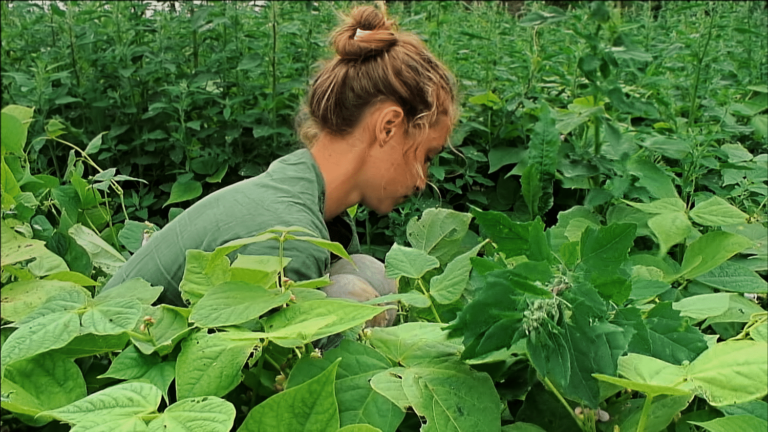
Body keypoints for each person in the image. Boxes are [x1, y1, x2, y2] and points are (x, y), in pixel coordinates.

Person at [101, 4, 459, 310]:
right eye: (426, 156)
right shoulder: (290, 241)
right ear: (388, 127)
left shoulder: (295, 195)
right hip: (109, 382)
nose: (421, 180)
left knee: (366, 273)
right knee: (349, 297)